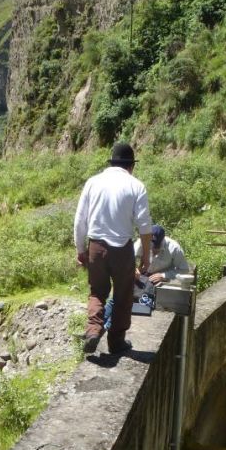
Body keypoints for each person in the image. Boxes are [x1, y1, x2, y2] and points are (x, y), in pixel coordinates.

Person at [74, 141, 152, 354]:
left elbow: (80, 220)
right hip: (122, 249)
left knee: (97, 291)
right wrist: (147, 256)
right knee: (123, 294)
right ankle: (116, 341)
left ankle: (93, 330)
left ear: (111, 163)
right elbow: (145, 226)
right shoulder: (136, 185)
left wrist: (81, 250)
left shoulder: (93, 182)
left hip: (96, 247)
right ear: (131, 166)